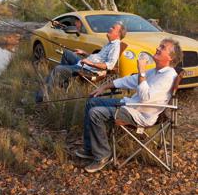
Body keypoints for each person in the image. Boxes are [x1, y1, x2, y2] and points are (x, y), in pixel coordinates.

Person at [76, 38, 183, 173]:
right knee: (92, 101)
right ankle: (89, 148)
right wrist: (105, 86)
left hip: (140, 115)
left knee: (95, 113)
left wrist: (142, 71)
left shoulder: (168, 76)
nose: (157, 48)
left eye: (162, 48)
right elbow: (131, 80)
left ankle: (103, 155)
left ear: (170, 57)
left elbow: (145, 98)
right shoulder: (155, 71)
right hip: (130, 105)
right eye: (159, 46)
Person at [35, 21, 127, 103]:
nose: (110, 28)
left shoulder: (115, 46)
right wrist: (84, 53)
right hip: (86, 64)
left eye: (113, 28)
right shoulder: (109, 44)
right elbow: (97, 58)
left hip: (89, 70)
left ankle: (41, 97)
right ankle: (63, 86)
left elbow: (109, 65)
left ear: (118, 34)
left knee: (58, 69)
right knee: (67, 53)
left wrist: (90, 63)